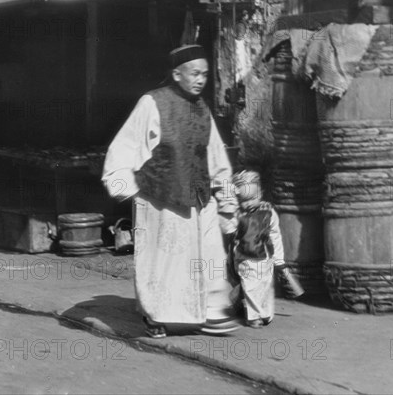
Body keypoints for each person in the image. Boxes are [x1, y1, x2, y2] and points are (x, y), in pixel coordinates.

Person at [102, 44, 239, 338]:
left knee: (211, 256)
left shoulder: (203, 110)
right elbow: (125, 146)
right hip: (160, 199)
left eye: (204, 74)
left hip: (199, 198)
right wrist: (127, 188)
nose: (200, 79)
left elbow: (217, 157)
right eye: (194, 73)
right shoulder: (152, 103)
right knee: (163, 262)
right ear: (177, 74)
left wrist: (227, 199)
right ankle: (156, 315)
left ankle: (212, 312)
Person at [228, 170, 304, 328]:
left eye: (252, 198)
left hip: (265, 258)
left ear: (260, 194)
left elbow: (275, 236)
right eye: (243, 200)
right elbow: (229, 232)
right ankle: (253, 316)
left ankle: (264, 313)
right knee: (251, 285)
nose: (248, 203)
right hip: (244, 257)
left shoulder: (269, 213)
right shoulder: (237, 215)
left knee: (265, 286)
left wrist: (279, 259)